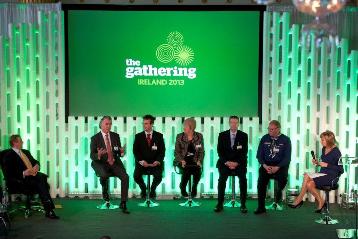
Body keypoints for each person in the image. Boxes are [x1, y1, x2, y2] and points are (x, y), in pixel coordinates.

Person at [2, 135, 59, 219]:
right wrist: (24, 173)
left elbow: (35, 161)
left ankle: (48, 209)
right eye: (20, 141)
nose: (22, 142)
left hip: (32, 177)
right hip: (20, 180)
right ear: (14, 142)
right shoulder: (8, 155)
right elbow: (8, 173)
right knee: (41, 180)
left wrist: (37, 165)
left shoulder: (26, 152)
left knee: (41, 177)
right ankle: (49, 209)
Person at [288, 130, 343, 213]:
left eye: (323, 140)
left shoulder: (336, 152)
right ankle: (321, 202)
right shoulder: (324, 148)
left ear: (329, 140)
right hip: (323, 174)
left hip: (332, 177)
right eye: (321, 139)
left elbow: (341, 170)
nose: (321, 142)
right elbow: (324, 163)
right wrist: (317, 163)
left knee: (307, 176)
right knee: (309, 184)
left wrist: (327, 165)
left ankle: (299, 200)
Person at [90, 116, 130, 214]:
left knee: (125, 177)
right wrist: (98, 154)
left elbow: (118, 151)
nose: (109, 126)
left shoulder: (115, 136)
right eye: (106, 124)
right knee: (104, 175)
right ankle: (105, 191)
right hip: (101, 162)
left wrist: (121, 152)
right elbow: (92, 155)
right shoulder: (95, 138)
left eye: (110, 124)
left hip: (114, 162)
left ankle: (123, 202)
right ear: (101, 125)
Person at [254, 120, 291, 215]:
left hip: (280, 165)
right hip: (266, 165)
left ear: (278, 129)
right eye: (269, 129)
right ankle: (261, 207)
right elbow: (259, 155)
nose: (269, 131)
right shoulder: (264, 138)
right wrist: (265, 165)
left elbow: (287, 158)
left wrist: (277, 167)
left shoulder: (286, 140)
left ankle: (278, 193)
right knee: (261, 182)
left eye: (272, 129)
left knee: (283, 179)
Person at [214, 116, 248, 213]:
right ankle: (219, 204)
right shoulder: (222, 135)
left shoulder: (243, 135)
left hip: (239, 163)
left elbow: (244, 152)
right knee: (222, 179)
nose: (234, 124)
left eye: (236, 123)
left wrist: (236, 163)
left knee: (243, 179)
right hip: (225, 163)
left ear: (238, 124)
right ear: (229, 123)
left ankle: (243, 204)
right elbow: (219, 151)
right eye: (232, 122)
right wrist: (227, 162)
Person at [133, 115, 165, 199]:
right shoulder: (138, 136)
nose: (144, 125)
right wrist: (142, 161)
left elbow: (162, 151)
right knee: (136, 176)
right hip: (142, 163)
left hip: (155, 163)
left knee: (158, 177)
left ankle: (152, 190)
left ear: (151, 124)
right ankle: (143, 189)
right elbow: (135, 151)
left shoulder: (159, 136)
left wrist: (158, 161)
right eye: (143, 123)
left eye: (146, 123)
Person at [174, 118, 204, 197]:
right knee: (187, 169)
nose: (183, 127)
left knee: (197, 170)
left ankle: (194, 186)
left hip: (195, 160)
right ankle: (183, 187)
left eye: (185, 126)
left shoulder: (199, 136)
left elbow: (201, 151)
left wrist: (199, 161)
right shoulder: (180, 136)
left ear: (191, 127)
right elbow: (176, 152)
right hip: (182, 160)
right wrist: (181, 160)